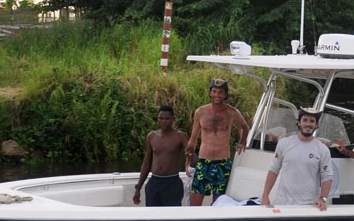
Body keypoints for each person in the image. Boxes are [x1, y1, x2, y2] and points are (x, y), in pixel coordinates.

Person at [186, 78, 250, 206]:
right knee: (194, 204)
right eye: (214, 91)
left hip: (223, 163)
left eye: (220, 92)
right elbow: (193, 138)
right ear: (210, 93)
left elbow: (245, 127)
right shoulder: (201, 112)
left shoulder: (231, 112)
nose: (217, 95)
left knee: (219, 204)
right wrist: (188, 162)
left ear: (225, 94)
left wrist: (242, 142)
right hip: (204, 162)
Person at [261, 107, 333, 210]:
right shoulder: (283, 144)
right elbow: (273, 170)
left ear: (316, 125)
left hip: (309, 206)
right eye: (305, 120)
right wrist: (265, 196)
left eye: (312, 121)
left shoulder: (323, 150)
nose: (308, 124)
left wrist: (322, 199)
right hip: (282, 204)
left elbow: (327, 176)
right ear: (299, 122)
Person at [134, 105, 189, 207]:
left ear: (173, 120)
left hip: (172, 183)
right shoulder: (151, 136)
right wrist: (138, 187)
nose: (163, 121)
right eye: (161, 118)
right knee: (152, 217)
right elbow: (146, 163)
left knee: (172, 217)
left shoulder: (181, 136)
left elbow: (191, 157)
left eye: (167, 118)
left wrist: (191, 153)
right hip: (154, 183)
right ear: (157, 119)